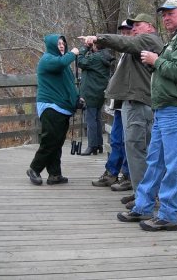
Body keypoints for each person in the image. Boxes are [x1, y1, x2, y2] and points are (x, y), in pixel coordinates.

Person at [117, 0, 177, 231]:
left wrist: (156, 61)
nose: (167, 17)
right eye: (164, 14)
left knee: (173, 164)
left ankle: (168, 215)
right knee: (154, 160)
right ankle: (143, 206)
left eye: (171, 13)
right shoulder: (175, 39)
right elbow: (169, 67)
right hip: (165, 107)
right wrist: (156, 63)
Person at [79, 14, 164, 207]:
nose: (133, 29)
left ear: (150, 27)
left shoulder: (148, 39)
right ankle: (140, 192)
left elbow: (123, 42)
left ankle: (145, 197)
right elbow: (124, 44)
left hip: (139, 103)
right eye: (131, 26)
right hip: (133, 102)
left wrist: (98, 38)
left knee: (137, 150)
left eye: (137, 25)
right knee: (134, 149)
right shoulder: (141, 42)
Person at [26, 34, 81, 185]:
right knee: (50, 141)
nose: (62, 45)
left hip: (61, 108)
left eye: (63, 43)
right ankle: (34, 169)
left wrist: (76, 99)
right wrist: (73, 53)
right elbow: (61, 62)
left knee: (57, 142)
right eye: (58, 44)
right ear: (51, 45)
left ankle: (54, 174)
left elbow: (69, 85)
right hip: (51, 106)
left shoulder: (63, 66)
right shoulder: (48, 59)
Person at [92, 20, 132, 190]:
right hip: (118, 104)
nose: (124, 34)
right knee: (116, 140)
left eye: (127, 31)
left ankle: (128, 176)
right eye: (122, 31)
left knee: (128, 142)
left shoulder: (135, 51)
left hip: (130, 104)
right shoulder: (123, 54)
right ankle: (112, 173)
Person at [77, 43, 114, 155]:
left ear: (95, 46)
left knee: (90, 120)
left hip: (91, 92)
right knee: (96, 119)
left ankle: (92, 146)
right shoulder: (104, 56)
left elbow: (81, 62)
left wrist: (84, 47)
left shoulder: (96, 57)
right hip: (99, 92)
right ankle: (98, 145)